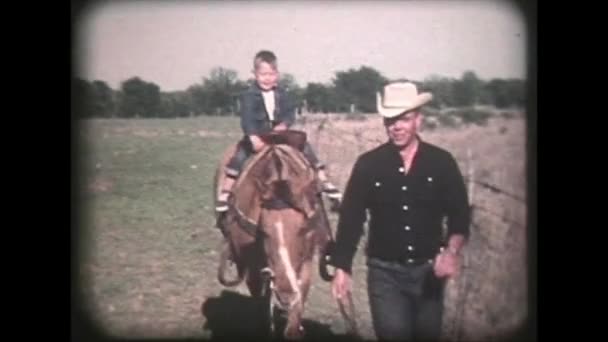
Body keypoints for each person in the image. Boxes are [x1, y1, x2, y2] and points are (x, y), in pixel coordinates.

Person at [329, 81, 471, 341]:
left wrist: (451, 251)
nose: (396, 127)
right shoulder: (368, 165)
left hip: (429, 274)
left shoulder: (441, 162)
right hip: (385, 275)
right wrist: (342, 266)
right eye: (390, 120)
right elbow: (351, 218)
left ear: (418, 120)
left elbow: (460, 215)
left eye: (404, 119)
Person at [216, 50, 342, 213]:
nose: (267, 78)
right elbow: (247, 119)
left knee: (304, 145)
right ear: (255, 74)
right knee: (240, 155)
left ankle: (324, 180)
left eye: (271, 74)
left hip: (280, 135)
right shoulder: (249, 95)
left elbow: (289, 112)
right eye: (263, 74)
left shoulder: (282, 93)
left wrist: (285, 124)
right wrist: (253, 137)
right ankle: (226, 191)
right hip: (259, 135)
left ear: (277, 74)